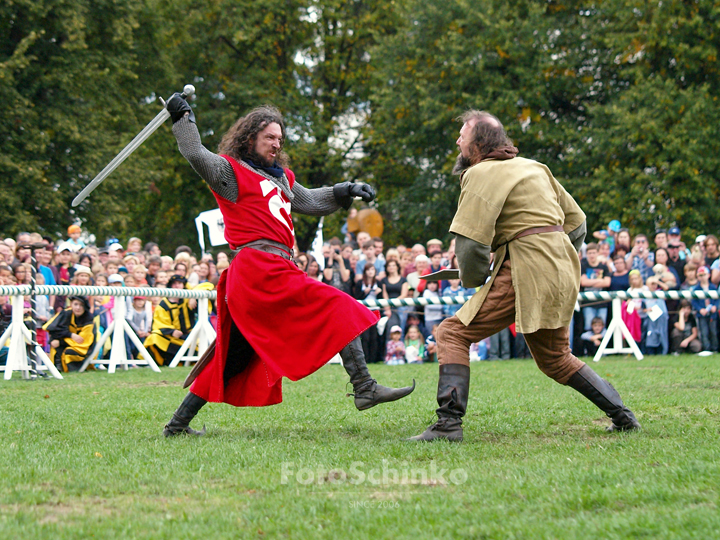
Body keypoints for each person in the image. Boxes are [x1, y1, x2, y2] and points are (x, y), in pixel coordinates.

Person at [161, 97, 414, 436]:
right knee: (338, 304)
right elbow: (195, 154)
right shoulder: (230, 172)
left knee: (236, 355)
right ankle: (364, 386)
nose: (277, 144)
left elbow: (309, 200)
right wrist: (183, 117)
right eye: (270, 137)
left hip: (275, 268)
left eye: (280, 139)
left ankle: (177, 425)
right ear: (250, 138)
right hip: (257, 269)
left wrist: (345, 190)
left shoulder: (280, 178)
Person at [410, 110, 639, 443]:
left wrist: (474, 279)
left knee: (451, 334)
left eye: (463, 135)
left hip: (527, 266)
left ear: (478, 144)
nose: (458, 141)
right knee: (556, 359)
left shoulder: (479, 174)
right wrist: (554, 253)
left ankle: (448, 425)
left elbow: (471, 245)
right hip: (560, 264)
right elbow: (578, 223)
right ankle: (624, 417)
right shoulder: (535, 167)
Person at [143, 275, 196, 366]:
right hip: (172, 338)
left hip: (190, 337)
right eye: (174, 283)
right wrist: (172, 331)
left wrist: (194, 295)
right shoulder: (164, 304)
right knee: (153, 338)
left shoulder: (188, 298)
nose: (177, 286)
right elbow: (159, 324)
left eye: (179, 283)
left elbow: (207, 286)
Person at [44, 296, 97, 372]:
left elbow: (82, 342)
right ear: (71, 304)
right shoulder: (65, 313)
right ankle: (58, 368)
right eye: (75, 304)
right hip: (69, 343)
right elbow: (52, 328)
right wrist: (71, 335)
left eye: (81, 305)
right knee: (55, 343)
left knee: (69, 351)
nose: (78, 308)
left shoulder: (89, 319)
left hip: (83, 349)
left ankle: (71, 369)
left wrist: (62, 342)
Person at [691, 266, 718, 352]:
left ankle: (715, 349)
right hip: (702, 313)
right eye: (700, 275)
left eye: (704, 274)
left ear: (709, 275)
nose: (702, 277)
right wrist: (700, 309)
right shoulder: (696, 289)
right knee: (704, 332)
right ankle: (706, 349)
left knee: (714, 331)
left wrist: (715, 306)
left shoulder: (713, 287)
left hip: (712, 314)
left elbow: (718, 299)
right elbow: (694, 301)